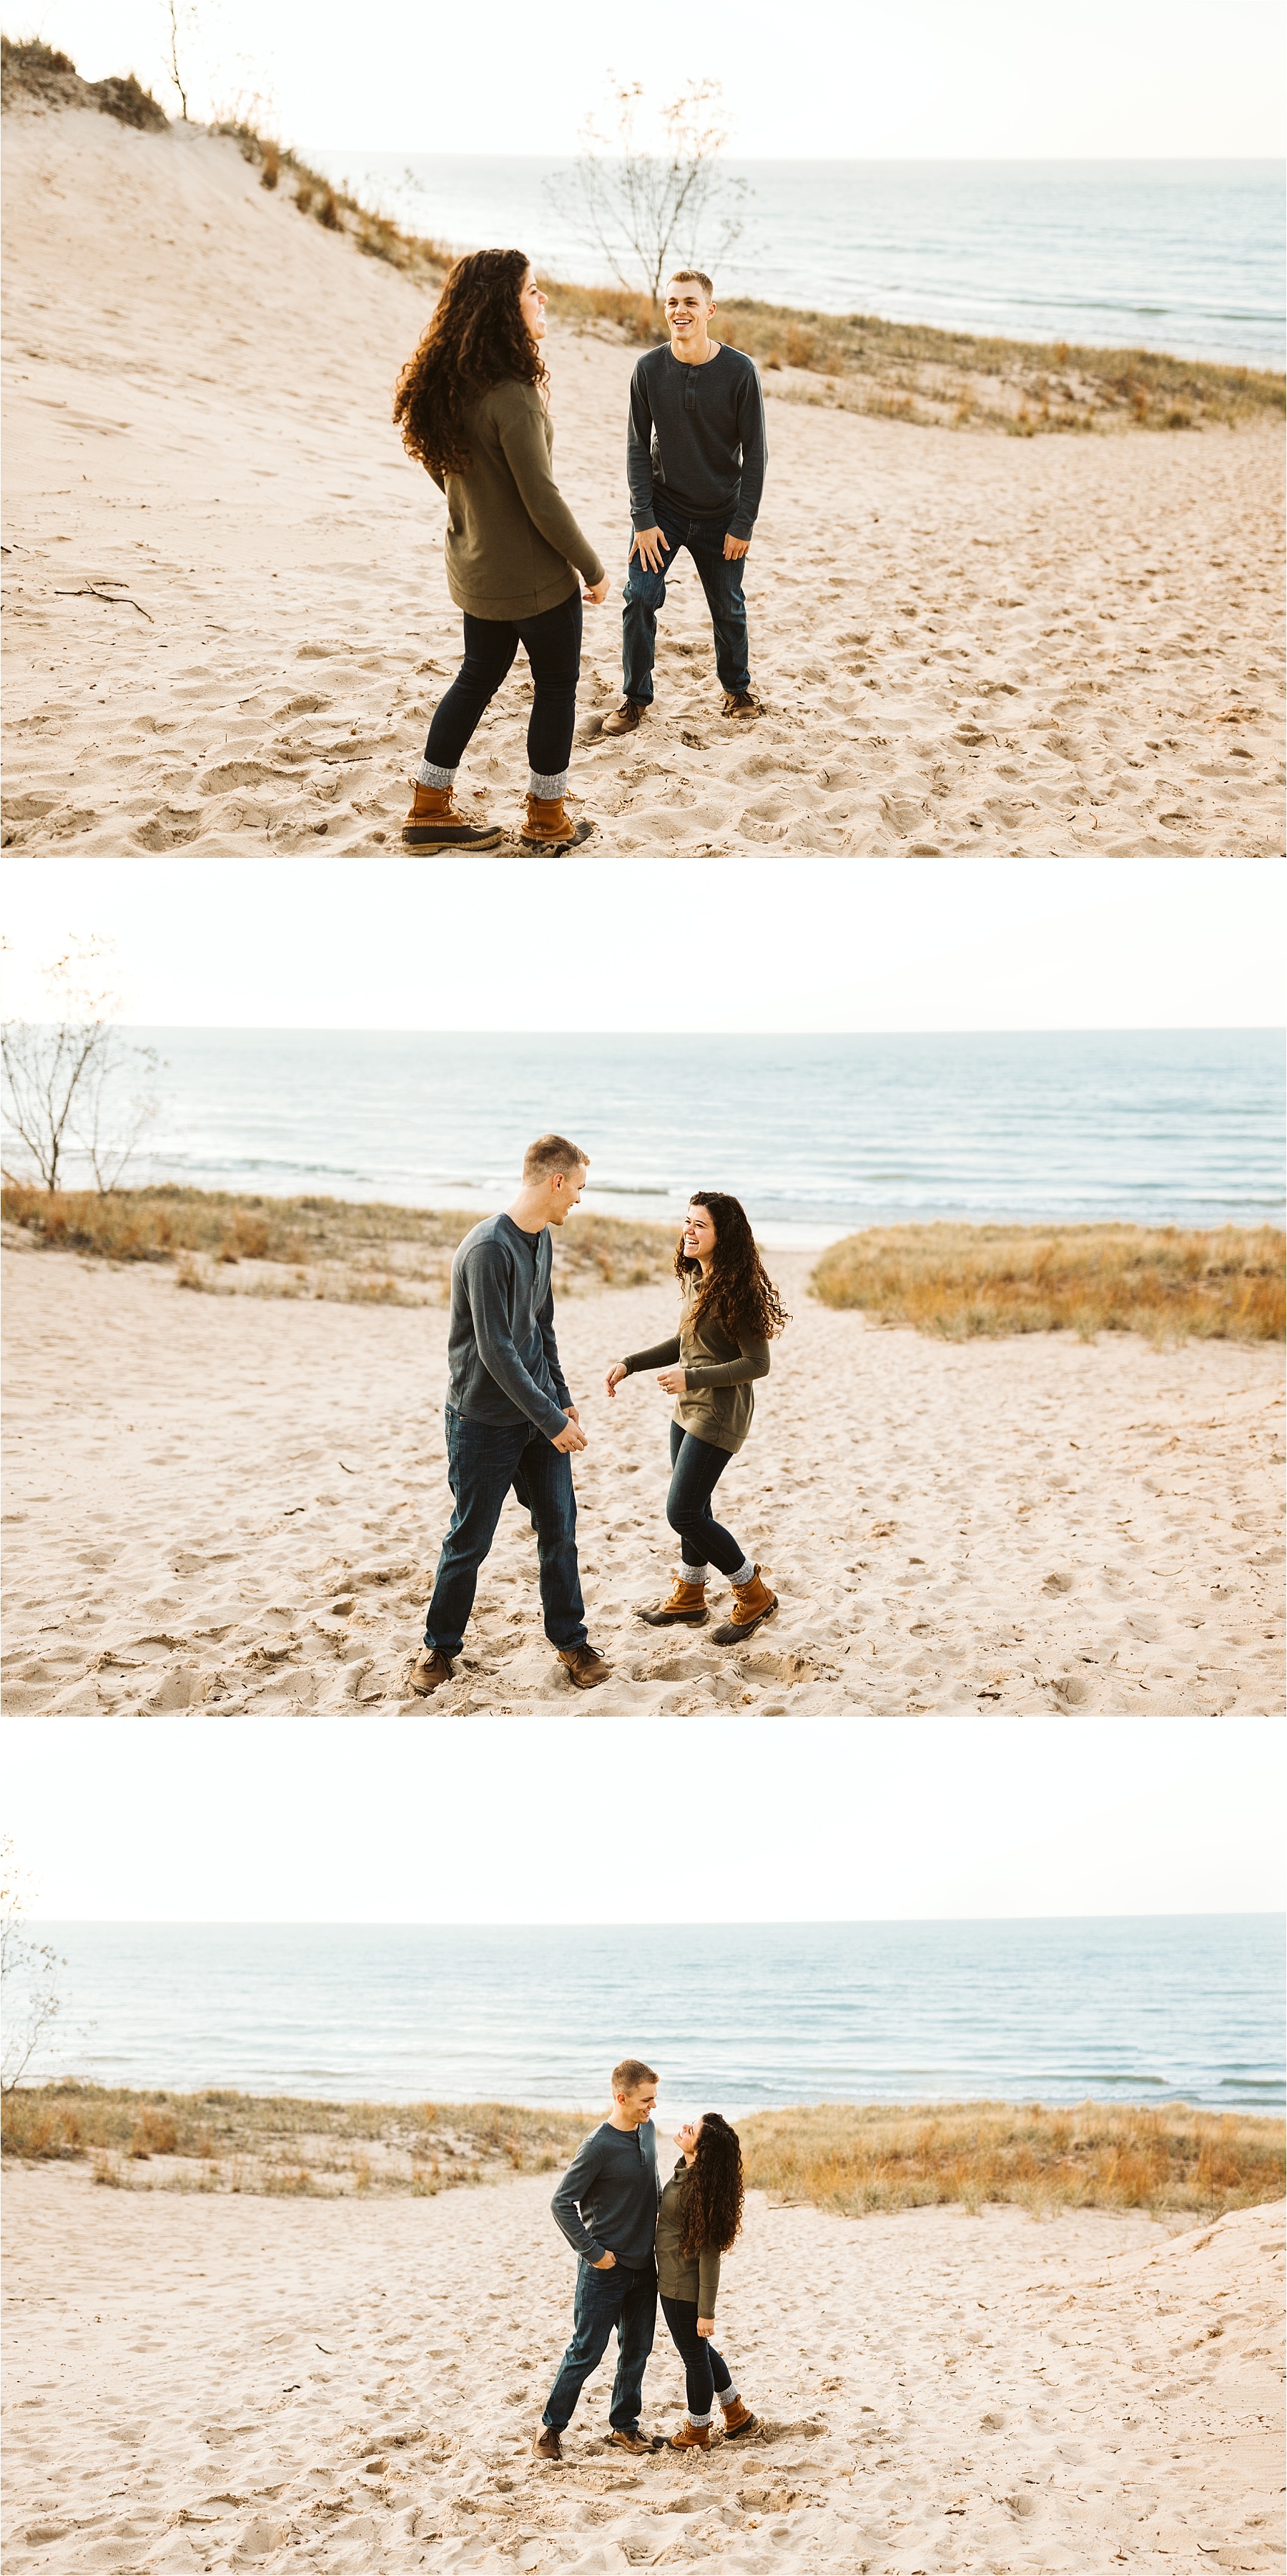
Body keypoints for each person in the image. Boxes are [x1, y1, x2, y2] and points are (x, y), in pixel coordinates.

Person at [393, 248, 610, 850]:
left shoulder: (449, 383)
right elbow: (542, 499)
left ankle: (429, 805)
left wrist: (479, 512)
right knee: (556, 687)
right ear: (501, 306)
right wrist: (592, 568)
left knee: (475, 678)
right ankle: (547, 819)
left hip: (476, 572)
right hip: (536, 584)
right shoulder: (513, 394)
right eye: (532, 290)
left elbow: (443, 470)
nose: (543, 299)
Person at [410, 1135, 611, 1696]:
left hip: (539, 1412)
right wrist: (553, 1421)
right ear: (555, 1181)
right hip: (482, 1421)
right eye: (578, 1187)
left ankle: (571, 1641)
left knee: (560, 1531)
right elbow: (496, 1350)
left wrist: (562, 1397)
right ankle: (439, 1648)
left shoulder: (542, 1238)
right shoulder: (486, 1249)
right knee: (470, 1538)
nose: (578, 1199)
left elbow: (541, 1326)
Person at [604, 1193, 788, 1642]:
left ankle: (753, 1593)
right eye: (687, 1222)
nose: (688, 1230)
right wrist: (632, 1362)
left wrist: (692, 1378)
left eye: (700, 1225)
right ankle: (690, 1596)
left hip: (719, 1414)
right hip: (686, 1409)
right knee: (696, 1506)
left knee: (682, 1512)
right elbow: (684, 1341)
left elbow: (757, 1363)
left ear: (722, 1236)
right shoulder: (696, 1279)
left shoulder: (737, 1291)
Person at [601, 271, 767, 738]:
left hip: (721, 516)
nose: (680, 311)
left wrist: (743, 522)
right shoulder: (649, 369)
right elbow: (637, 446)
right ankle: (635, 700)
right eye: (672, 302)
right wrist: (643, 519)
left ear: (709, 310)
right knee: (639, 598)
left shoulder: (740, 372)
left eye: (691, 302)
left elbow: (756, 453)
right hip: (664, 513)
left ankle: (736, 691)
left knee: (729, 607)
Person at [536, 2060, 664, 2462]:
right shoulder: (597, 2146)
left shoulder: (648, 2131)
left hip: (644, 2268)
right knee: (586, 2350)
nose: (653, 2107)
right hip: (603, 2270)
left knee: (637, 2349)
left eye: (655, 2098)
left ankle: (624, 2427)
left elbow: (652, 2189)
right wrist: (594, 2253)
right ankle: (549, 2430)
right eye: (646, 2100)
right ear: (621, 2097)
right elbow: (561, 2203)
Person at [657, 2113, 759, 2451]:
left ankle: (698, 2431)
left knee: (694, 2359)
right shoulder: (693, 2176)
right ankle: (736, 2413)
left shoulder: (702, 2192)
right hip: (672, 2282)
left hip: (681, 2288)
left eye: (693, 2130)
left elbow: (710, 2257)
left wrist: (706, 2313)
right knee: (699, 2351)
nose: (685, 2127)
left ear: (703, 2150)